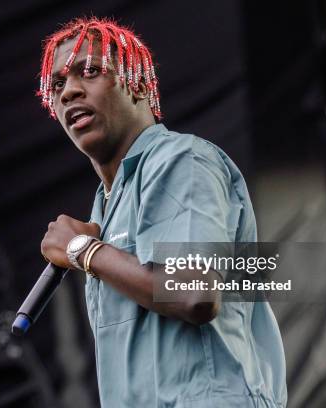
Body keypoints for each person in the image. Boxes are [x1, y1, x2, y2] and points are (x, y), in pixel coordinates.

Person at [38, 17, 287, 407]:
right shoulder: (107, 205)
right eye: (57, 85)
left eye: (90, 71)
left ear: (135, 83)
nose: (69, 90)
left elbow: (195, 294)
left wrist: (84, 250)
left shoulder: (180, 159)